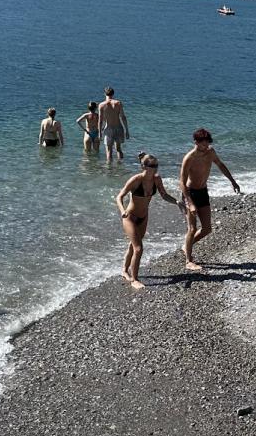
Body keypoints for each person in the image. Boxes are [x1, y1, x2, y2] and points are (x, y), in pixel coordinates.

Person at [116, 153, 181, 289]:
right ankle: (134, 279)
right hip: (130, 217)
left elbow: (164, 195)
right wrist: (122, 210)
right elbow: (119, 196)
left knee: (133, 245)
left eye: (156, 166)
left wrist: (177, 202)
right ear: (143, 166)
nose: (154, 169)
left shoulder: (157, 179)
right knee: (138, 248)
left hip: (143, 217)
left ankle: (124, 270)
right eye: (151, 166)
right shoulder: (136, 180)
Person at [179, 128, 241, 271]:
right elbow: (181, 182)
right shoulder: (189, 157)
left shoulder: (210, 152)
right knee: (192, 228)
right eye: (203, 144)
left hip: (203, 192)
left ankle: (186, 246)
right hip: (190, 193)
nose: (206, 146)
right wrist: (190, 202)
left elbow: (220, 165)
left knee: (207, 229)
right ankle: (188, 261)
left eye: (208, 143)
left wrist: (233, 181)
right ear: (196, 142)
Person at [101, 87, 129, 163]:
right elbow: (123, 117)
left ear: (104, 94)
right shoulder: (118, 103)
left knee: (109, 151)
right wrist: (127, 130)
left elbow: (100, 120)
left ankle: (109, 170)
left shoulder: (101, 105)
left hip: (108, 128)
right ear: (113, 94)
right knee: (119, 149)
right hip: (119, 128)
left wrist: (100, 132)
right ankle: (120, 167)